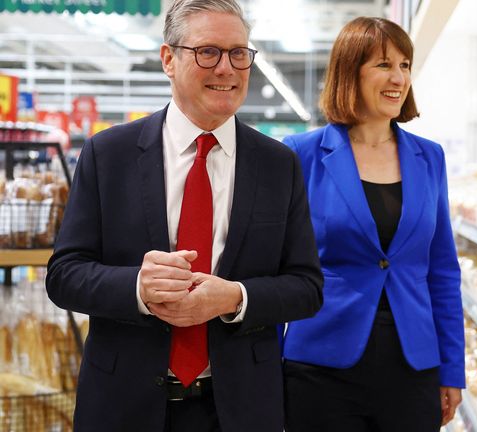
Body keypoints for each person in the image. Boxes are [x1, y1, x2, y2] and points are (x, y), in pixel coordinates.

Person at [45, 1, 323, 431]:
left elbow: (306, 286)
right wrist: (137, 286)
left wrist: (234, 297)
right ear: (168, 59)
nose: (227, 68)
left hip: (240, 408)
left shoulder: (277, 164)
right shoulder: (108, 154)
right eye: (208, 51)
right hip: (124, 405)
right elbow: (64, 274)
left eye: (238, 53)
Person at [282, 16, 464, 431]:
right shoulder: (301, 153)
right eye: (383, 64)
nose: (398, 77)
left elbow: (441, 271)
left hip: (412, 363)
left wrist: (452, 369)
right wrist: (266, 366)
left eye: (405, 65)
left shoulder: (428, 157)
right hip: (321, 364)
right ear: (350, 72)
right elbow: (278, 267)